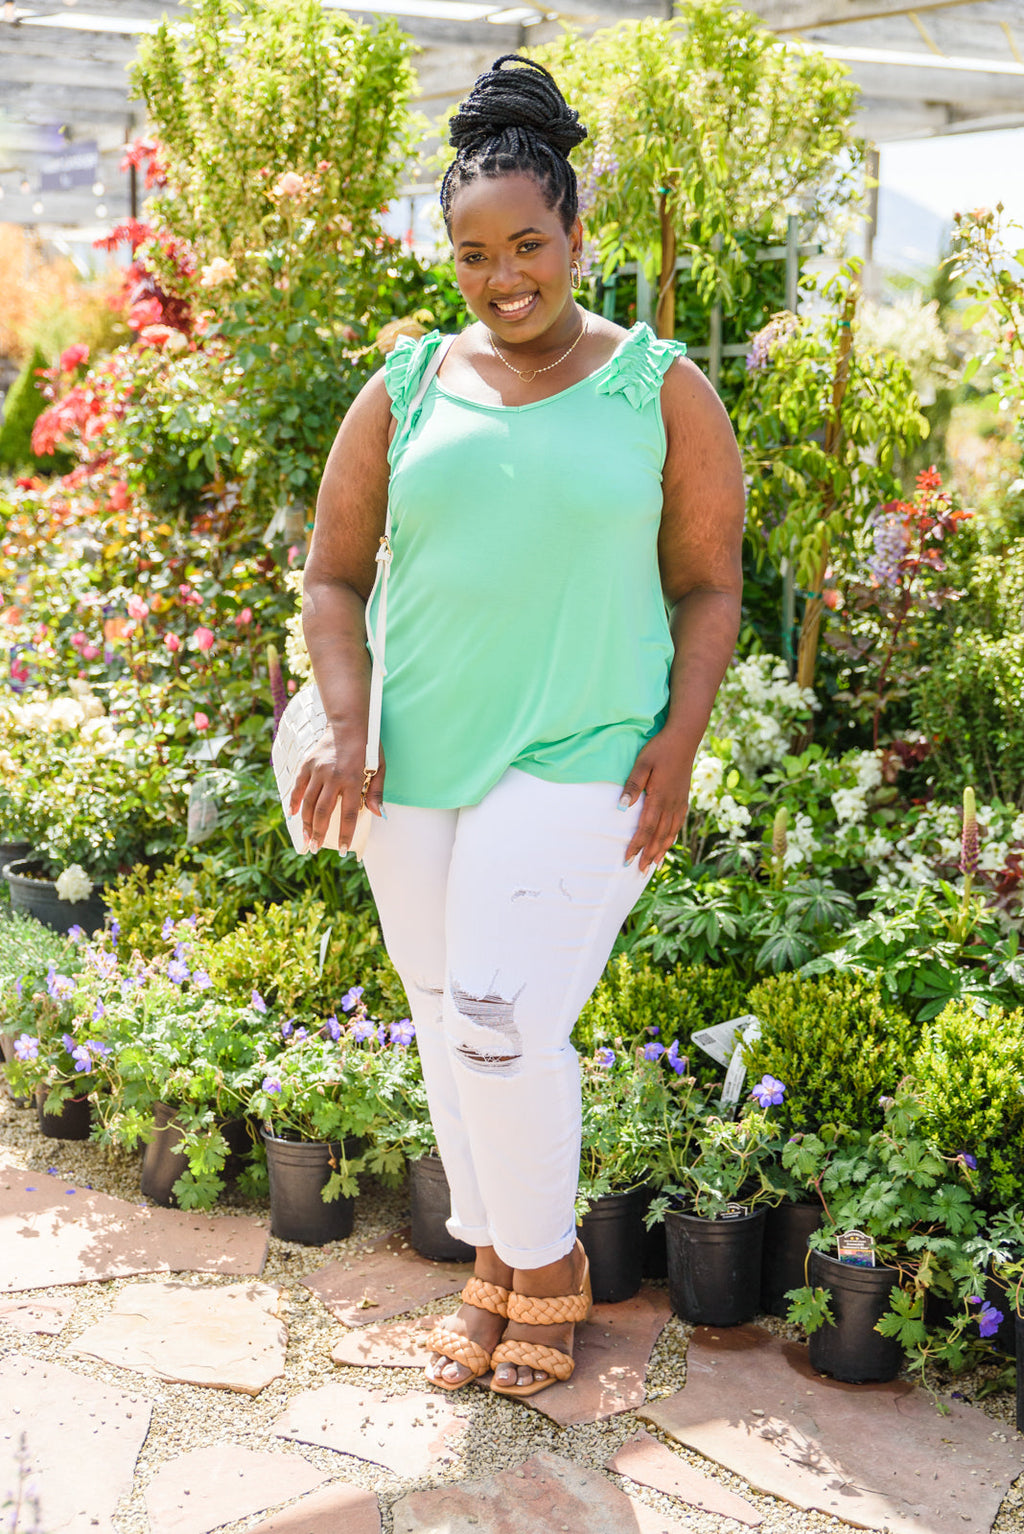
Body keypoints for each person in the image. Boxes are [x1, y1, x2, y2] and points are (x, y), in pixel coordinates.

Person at [294, 54, 745, 1399]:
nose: (504, 276)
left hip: (585, 752)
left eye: (529, 245)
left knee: (497, 1015)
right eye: (474, 252)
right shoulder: (409, 384)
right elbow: (332, 570)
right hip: (415, 756)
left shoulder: (657, 386)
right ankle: (494, 1258)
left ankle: (548, 1268)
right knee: (444, 1013)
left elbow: (710, 580)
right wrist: (345, 718)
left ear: (575, 237)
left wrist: (683, 735)